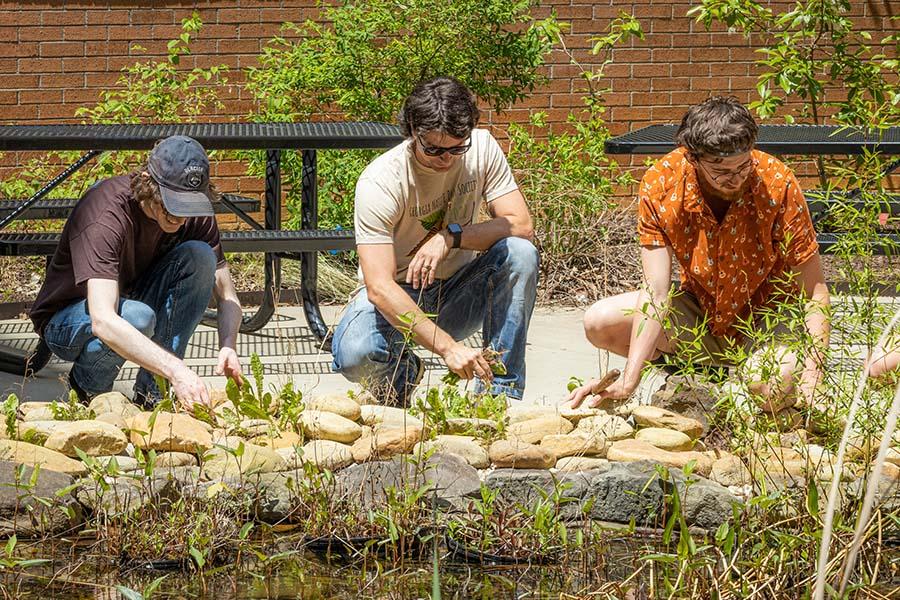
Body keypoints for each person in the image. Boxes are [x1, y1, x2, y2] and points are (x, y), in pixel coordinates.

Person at [568, 96, 831, 414]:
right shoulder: (661, 183)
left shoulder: (777, 183)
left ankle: (761, 377)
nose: (735, 179)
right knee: (600, 321)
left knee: (772, 385)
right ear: (692, 158)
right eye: (721, 170)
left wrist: (813, 378)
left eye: (743, 166)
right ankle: (701, 375)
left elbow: (815, 291)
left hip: (767, 313)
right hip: (701, 311)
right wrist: (629, 379)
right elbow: (657, 292)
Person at [331, 76, 539, 406]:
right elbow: (380, 287)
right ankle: (402, 375)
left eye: (458, 148)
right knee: (356, 353)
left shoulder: (482, 148)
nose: (448, 159)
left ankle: (498, 396)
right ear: (413, 131)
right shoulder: (381, 180)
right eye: (435, 150)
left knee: (520, 252)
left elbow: (521, 225)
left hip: (457, 292)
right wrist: (448, 348)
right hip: (396, 297)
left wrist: (451, 237)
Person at [29, 135, 243, 409]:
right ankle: (88, 394)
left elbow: (227, 295)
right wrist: (178, 370)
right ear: (147, 183)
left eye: (188, 206)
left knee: (201, 257)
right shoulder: (106, 212)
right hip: (67, 319)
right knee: (137, 317)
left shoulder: (194, 214)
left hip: (131, 301)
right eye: (172, 204)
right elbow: (103, 319)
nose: (180, 217)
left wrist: (228, 345)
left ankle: (153, 397)